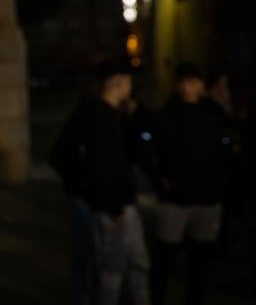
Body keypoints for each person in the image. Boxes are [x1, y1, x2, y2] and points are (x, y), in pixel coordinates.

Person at [49, 59, 150, 305]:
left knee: (129, 264)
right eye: (128, 82)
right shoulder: (97, 116)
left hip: (112, 202)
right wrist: (94, 194)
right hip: (110, 206)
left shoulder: (114, 114)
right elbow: (98, 164)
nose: (131, 88)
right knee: (108, 270)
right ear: (118, 83)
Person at [150, 62, 229, 305]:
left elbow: (225, 149)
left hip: (207, 199)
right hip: (176, 200)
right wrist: (162, 182)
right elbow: (151, 152)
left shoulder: (213, 113)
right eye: (183, 82)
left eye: (193, 82)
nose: (187, 87)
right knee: (165, 258)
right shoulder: (167, 114)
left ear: (201, 85)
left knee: (201, 261)